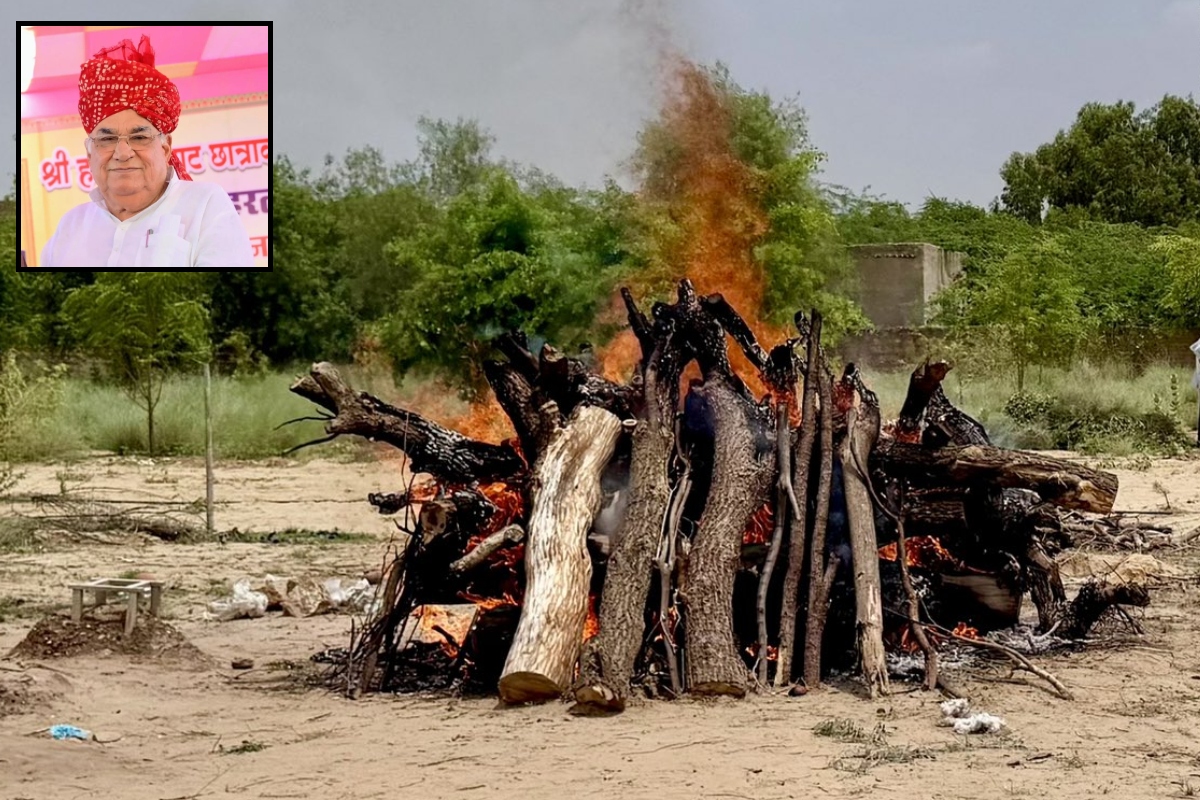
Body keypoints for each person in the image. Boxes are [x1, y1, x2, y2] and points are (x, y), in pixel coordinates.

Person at [40, 36, 255, 268]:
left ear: (165, 148)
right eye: (107, 139)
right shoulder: (70, 227)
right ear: (90, 153)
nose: (122, 152)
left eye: (139, 137)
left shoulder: (205, 205)